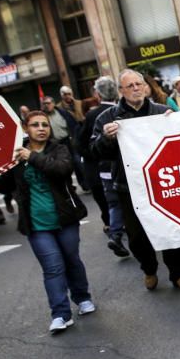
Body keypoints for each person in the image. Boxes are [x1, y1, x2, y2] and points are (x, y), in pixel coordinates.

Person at [92, 69, 180, 291]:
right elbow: (95, 152)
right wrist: (106, 138)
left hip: (162, 183)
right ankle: (149, 269)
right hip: (128, 187)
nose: (137, 88)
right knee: (137, 235)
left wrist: (174, 124)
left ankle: (179, 272)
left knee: (172, 227)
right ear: (121, 91)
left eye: (139, 84)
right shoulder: (106, 118)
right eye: (131, 86)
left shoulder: (161, 111)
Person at [5, 111, 95, 334]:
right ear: (26, 129)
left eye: (45, 124)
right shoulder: (15, 154)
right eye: (35, 125)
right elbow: (0, 183)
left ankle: (82, 298)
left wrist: (31, 157)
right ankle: (60, 314)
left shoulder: (59, 149)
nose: (41, 128)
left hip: (65, 219)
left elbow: (62, 169)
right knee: (53, 267)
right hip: (36, 224)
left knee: (71, 259)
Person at [78, 76, 128, 258]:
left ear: (98, 95)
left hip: (107, 169)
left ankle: (116, 234)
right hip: (124, 167)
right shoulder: (115, 113)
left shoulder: (92, 115)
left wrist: (93, 158)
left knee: (114, 202)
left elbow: (81, 143)